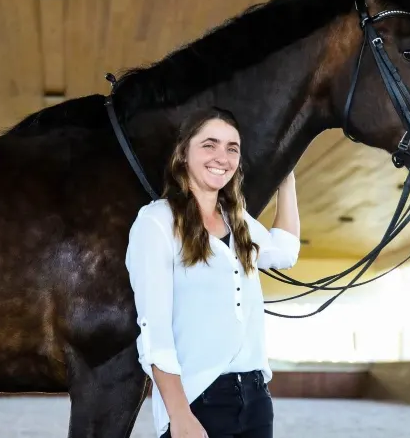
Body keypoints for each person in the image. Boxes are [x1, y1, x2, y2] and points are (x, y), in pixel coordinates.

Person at [125, 107, 301, 438]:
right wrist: (179, 414)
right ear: (183, 153)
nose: (222, 156)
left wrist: (286, 180)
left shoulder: (238, 220)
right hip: (198, 399)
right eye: (210, 144)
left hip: (256, 398)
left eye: (232, 148)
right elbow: (154, 332)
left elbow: (285, 252)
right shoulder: (156, 222)